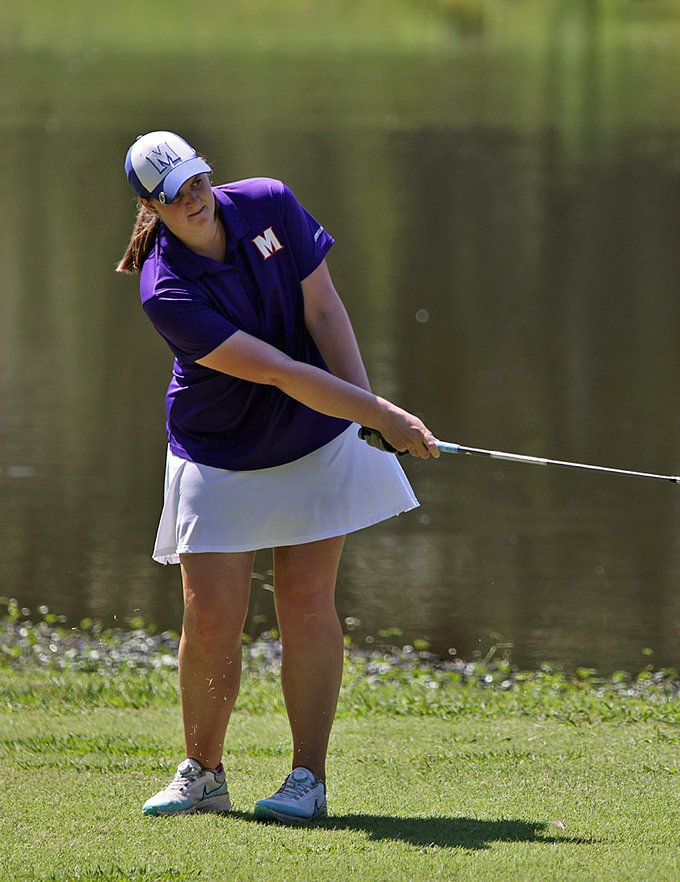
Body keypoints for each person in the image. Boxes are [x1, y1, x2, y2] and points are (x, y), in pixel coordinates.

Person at [116, 130, 439, 823]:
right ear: (151, 206)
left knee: (306, 602)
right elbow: (276, 370)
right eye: (176, 195)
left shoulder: (269, 204)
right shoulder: (163, 286)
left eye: (198, 181)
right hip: (219, 449)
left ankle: (307, 779)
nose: (195, 199)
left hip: (315, 433)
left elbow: (323, 311)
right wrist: (383, 413)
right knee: (209, 617)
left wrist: (367, 414)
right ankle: (204, 772)